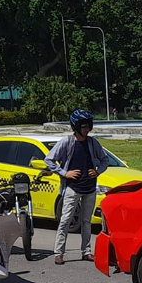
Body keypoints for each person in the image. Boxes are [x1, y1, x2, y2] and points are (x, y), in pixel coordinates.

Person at [45, 109, 109, 265]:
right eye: (84, 126)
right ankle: (59, 253)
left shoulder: (93, 143)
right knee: (65, 220)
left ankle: (86, 251)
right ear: (76, 126)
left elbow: (104, 160)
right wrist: (64, 173)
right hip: (73, 187)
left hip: (90, 187)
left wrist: (98, 171)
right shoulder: (66, 142)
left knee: (86, 221)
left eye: (89, 126)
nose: (87, 130)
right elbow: (49, 160)